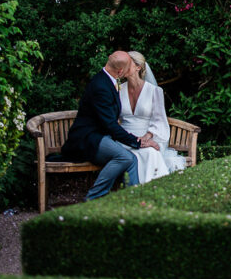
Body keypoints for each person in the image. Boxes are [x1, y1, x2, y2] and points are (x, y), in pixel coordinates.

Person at [60, 50, 146, 200]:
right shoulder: (100, 86)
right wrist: (136, 140)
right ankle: (92, 199)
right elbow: (110, 125)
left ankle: (133, 201)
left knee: (132, 159)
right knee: (125, 157)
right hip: (87, 139)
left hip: (100, 135)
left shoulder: (108, 79)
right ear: (120, 71)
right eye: (128, 66)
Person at [120, 51, 187, 180]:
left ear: (138, 67)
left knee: (150, 152)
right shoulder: (118, 90)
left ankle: (151, 189)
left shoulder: (154, 91)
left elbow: (159, 120)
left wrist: (147, 137)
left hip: (148, 135)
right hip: (124, 138)